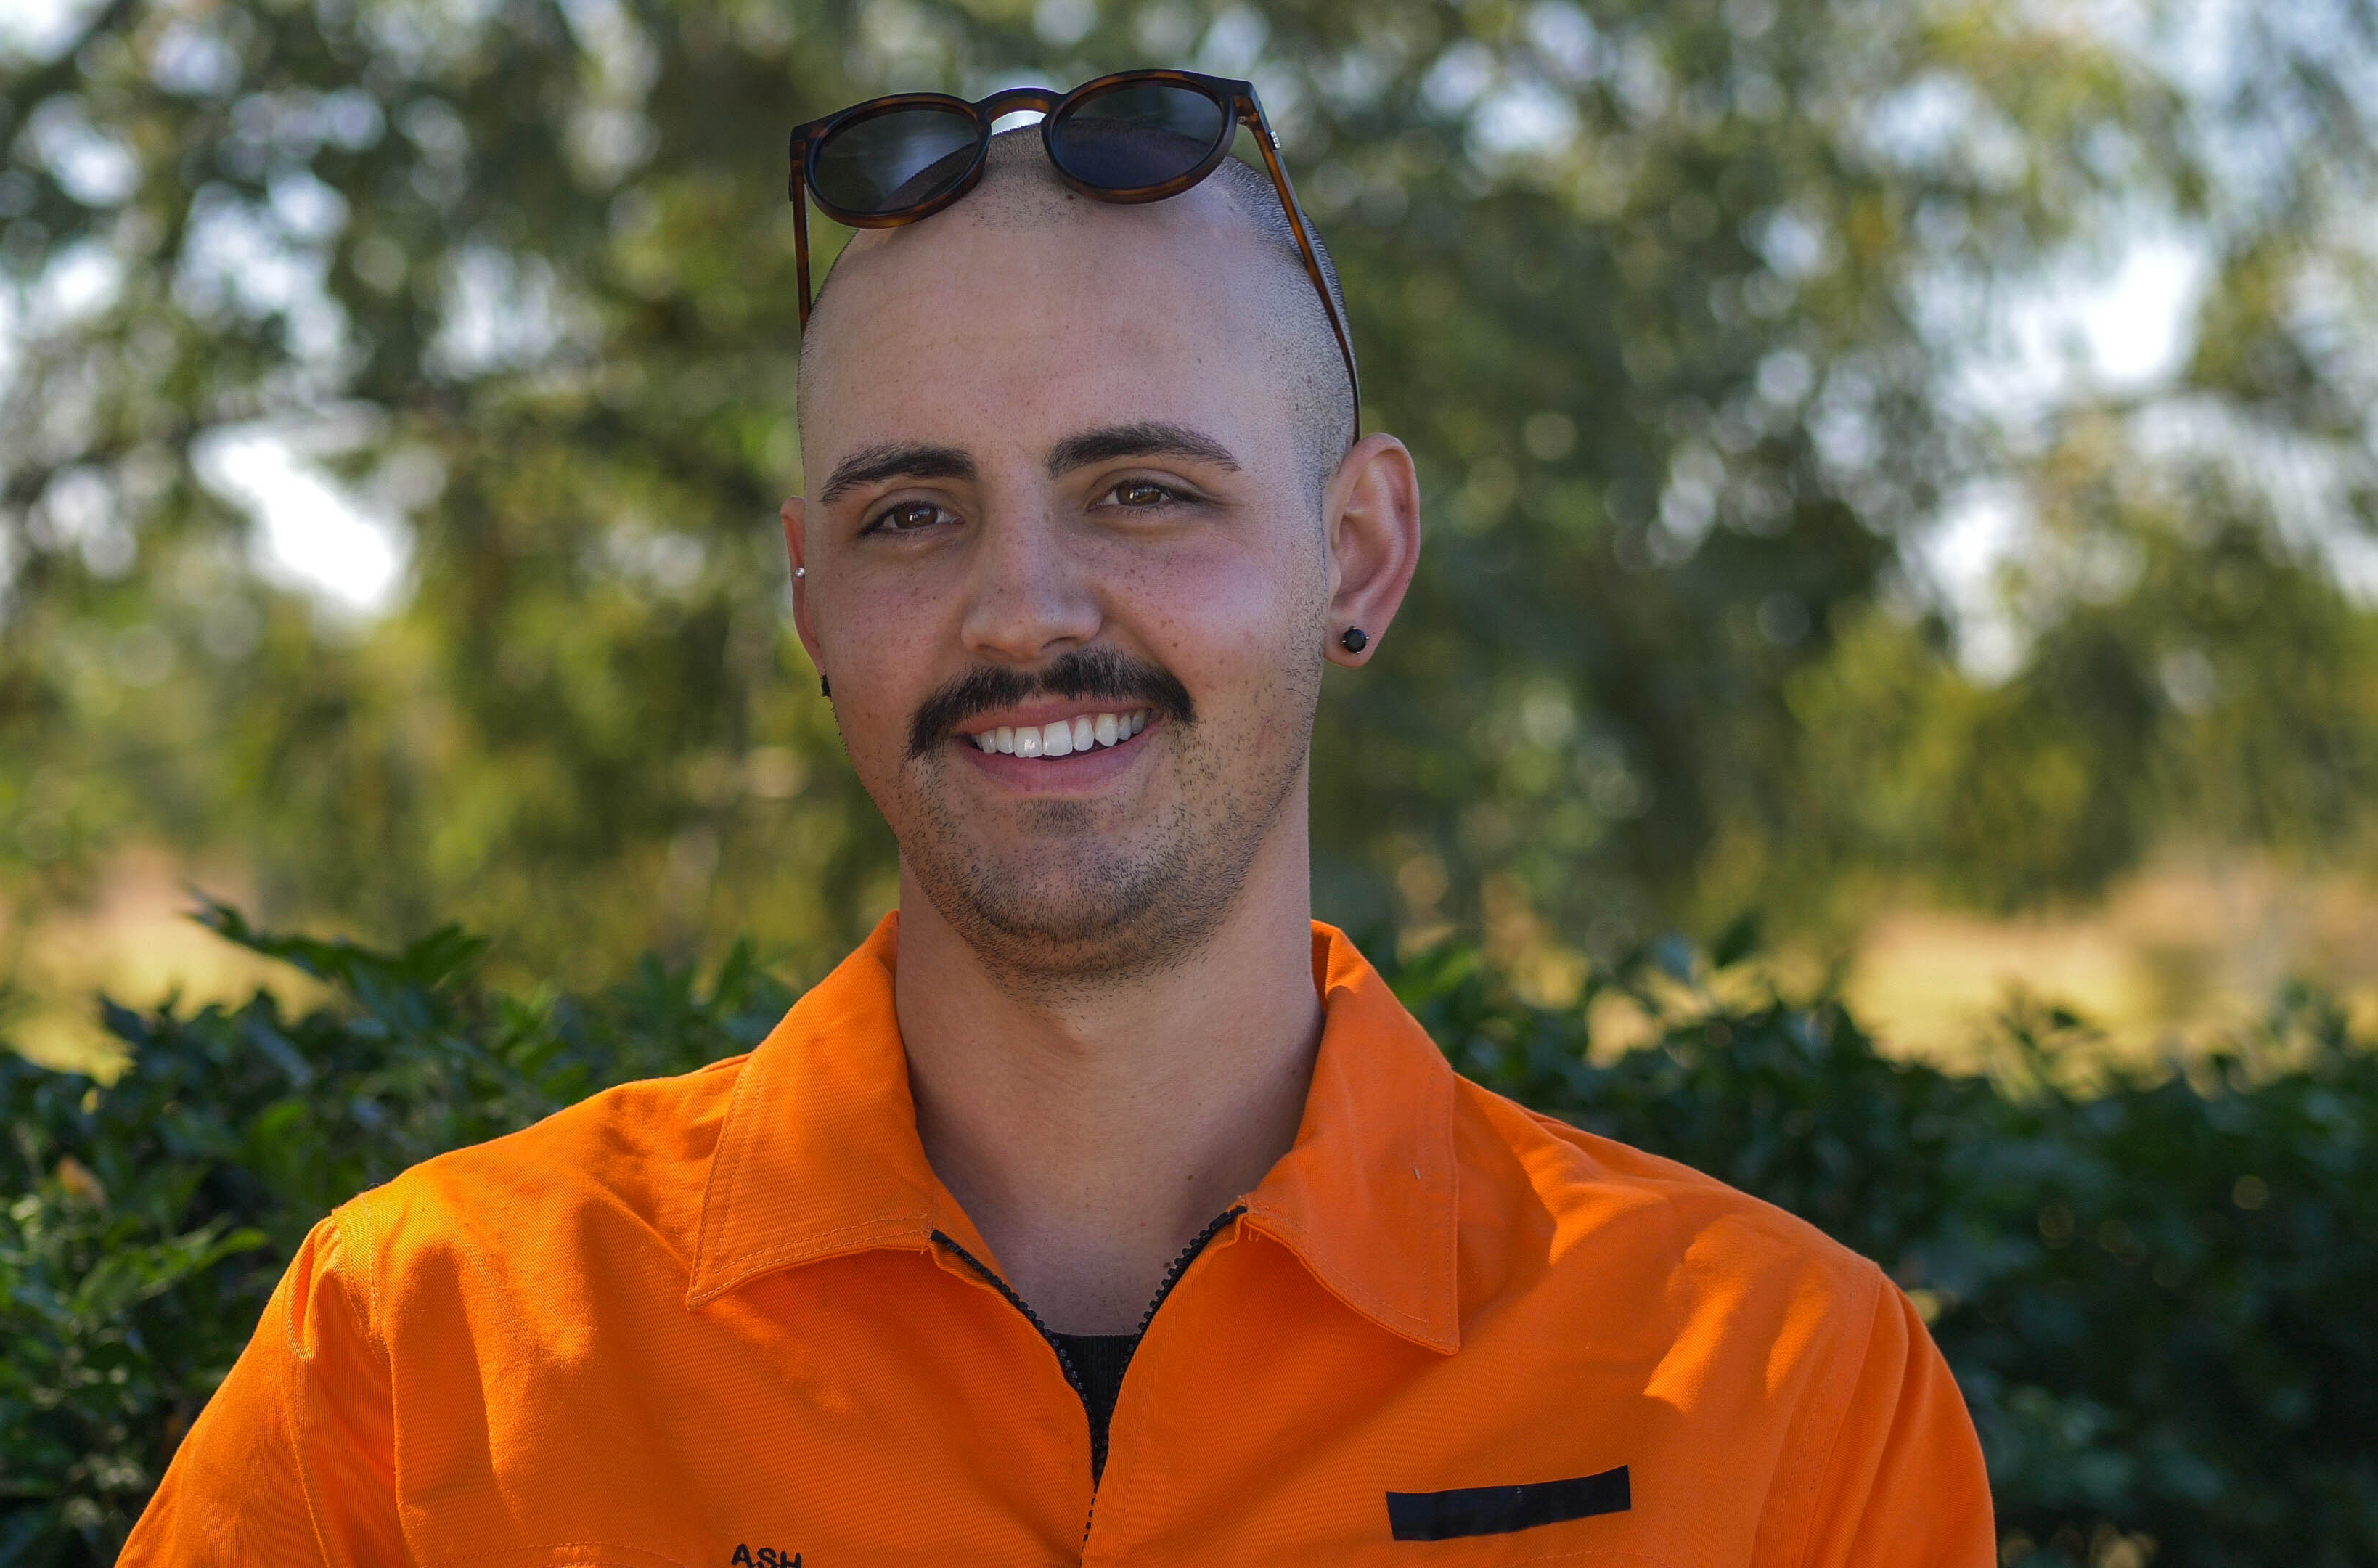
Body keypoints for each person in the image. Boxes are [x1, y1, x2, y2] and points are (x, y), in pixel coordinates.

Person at [122, 72, 1994, 1565]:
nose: (1022, 613)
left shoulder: (1782, 1393)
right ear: (809, 606)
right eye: (911, 515)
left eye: (1144, 492)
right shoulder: (428, 1342)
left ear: (1359, 551)